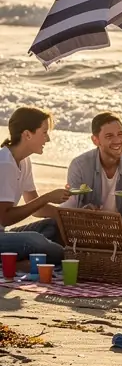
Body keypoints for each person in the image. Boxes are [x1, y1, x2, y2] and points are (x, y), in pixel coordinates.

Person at [0, 107, 69, 264]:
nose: (48, 139)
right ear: (27, 134)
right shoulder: (5, 164)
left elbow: (37, 209)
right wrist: (47, 197)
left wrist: (69, 216)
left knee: (52, 225)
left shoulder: (24, 161)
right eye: (44, 132)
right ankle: (72, 258)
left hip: (3, 235)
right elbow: (5, 218)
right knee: (35, 240)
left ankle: (19, 262)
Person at [66, 112, 122, 215]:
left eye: (120, 134)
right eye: (109, 136)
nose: (117, 140)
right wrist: (84, 211)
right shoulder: (79, 165)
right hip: (87, 223)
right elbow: (71, 208)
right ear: (95, 140)